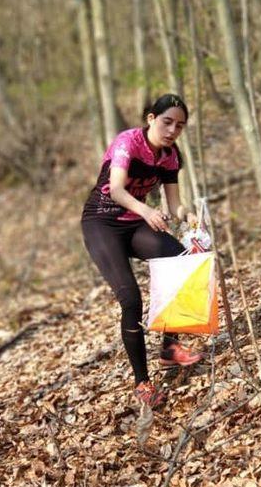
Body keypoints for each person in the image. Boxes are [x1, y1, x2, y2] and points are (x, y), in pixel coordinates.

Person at [81, 94, 203, 409]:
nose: (173, 130)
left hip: (135, 223)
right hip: (102, 223)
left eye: (180, 125)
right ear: (150, 118)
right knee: (131, 299)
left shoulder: (171, 156)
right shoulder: (128, 143)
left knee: (184, 262)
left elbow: (174, 204)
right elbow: (117, 189)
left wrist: (189, 216)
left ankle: (169, 348)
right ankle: (142, 383)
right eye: (167, 122)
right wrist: (147, 212)